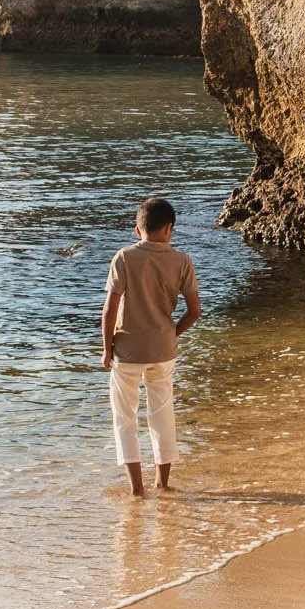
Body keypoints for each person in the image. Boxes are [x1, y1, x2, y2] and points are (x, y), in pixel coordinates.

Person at [100, 196, 200, 498]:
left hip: (128, 349)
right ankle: (163, 483)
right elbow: (195, 311)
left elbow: (110, 308)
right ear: (169, 228)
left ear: (137, 230)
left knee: (125, 418)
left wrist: (107, 348)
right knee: (162, 413)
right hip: (163, 350)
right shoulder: (181, 261)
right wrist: (173, 333)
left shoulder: (124, 258)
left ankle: (136, 489)